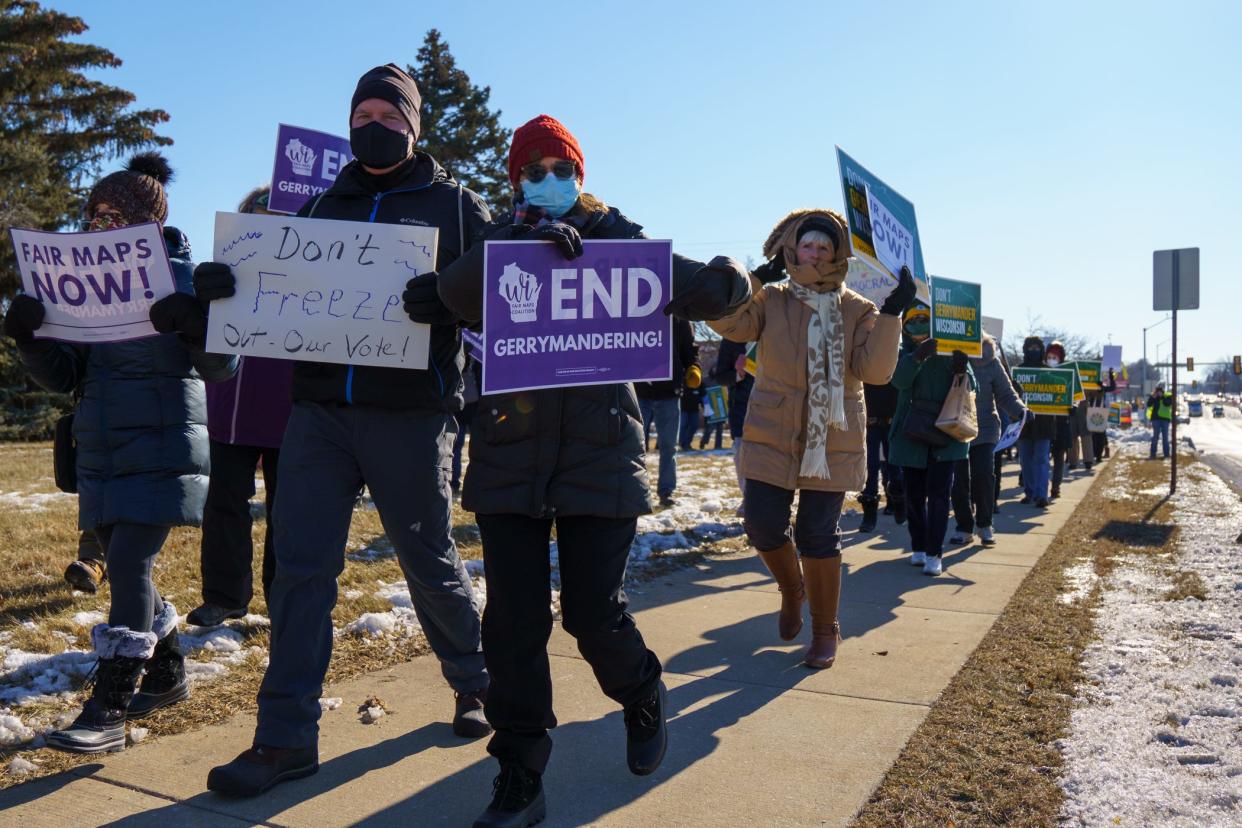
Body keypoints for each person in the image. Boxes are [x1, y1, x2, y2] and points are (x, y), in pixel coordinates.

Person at [437, 113, 750, 828]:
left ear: (580, 174)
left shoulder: (619, 240)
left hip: (600, 452)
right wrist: (519, 246)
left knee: (590, 614)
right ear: (514, 179)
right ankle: (520, 771)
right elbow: (453, 294)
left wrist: (727, 281)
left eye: (560, 169)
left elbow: (704, 289)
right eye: (532, 171)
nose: (547, 181)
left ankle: (640, 691)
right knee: (512, 623)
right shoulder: (499, 242)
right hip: (510, 451)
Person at [207, 65, 492, 797]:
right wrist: (222, 294)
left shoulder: (455, 206)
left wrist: (453, 301)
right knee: (300, 574)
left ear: (414, 126)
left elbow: (501, 297)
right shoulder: (318, 206)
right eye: (363, 112)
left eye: (390, 116)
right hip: (320, 416)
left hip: (412, 416)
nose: (375, 125)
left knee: (427, 558)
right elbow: (271, 300)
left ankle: (475, 682)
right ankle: (284, 739)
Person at [4, 153, 237, 752]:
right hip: (101, 449)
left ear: (147, 224)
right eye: (95, 214)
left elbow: (222, 366)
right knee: (123, 555)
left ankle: (108, 709)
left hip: (164, 444)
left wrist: (195, 323)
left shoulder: (186, 277)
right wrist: (30, 337)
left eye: (116, 216)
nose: (102, 225)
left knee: (130, 560)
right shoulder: (81, 289)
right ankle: (166, 674)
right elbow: (63, 376)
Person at [709, 209, 911, 665]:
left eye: (824, 247)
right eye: (807, 246)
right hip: (771, 428)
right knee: (761, 523)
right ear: (792, 250)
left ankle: (825, 629)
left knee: (817, 533)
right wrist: (752, 283)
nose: (815, 254)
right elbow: (729, 327)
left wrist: (894, 313)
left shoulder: (859, 308)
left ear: (837, 253)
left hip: (832, 435)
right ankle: (791, 589)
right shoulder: (772, 299)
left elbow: (875, 372)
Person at [188, 187, 294, 628]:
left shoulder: (311, 275)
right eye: (257, 219)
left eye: (276, 220)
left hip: (292, 409)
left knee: (289, 511)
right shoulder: (220, 273)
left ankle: (284, 597)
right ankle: (225, 596)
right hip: (230, 407)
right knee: (224, 503)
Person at [888, 304, 976, 576]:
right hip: (912, 434)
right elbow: (898, 381)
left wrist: (962, 369)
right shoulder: (902, 352)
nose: (918, 327)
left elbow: (973, 388)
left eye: (924, 320)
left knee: (939, 496)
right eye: (912, 321)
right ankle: (919, 546)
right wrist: (917, 358)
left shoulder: (951, 351)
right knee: (914, 495)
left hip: (947, 434)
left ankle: (935, 553)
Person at [949, 334, 1026, 547]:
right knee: (959, 481)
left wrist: (1020, 412)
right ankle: (964, 527)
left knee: (983, 475)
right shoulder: (948, 354)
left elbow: (1005, 394)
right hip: (954, 428)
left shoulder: (991, 361)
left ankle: (985, 524)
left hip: (985, 429)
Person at [635, 317, 699, 505]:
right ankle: (637, 491)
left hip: (670, 392)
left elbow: (689, 349)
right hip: (640, 391)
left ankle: (666, 492)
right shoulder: (636, 313)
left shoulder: (679, 317)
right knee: (634, 446)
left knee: (669, 447)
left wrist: (694, 367)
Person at [1015, 336, 1057, 508]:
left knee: (1041, 459)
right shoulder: (1018, 371)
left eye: (1037, 347)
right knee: (1025, 459)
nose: (1034, 350)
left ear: (1042, 350)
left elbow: (1058, 394)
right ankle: (1029, 491)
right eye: (1030, 347)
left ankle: (1041, 495)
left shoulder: (1049, 371)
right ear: (1025, 350)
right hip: (1024, 422)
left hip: (1044, 423)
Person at [859, 379, 901, 532]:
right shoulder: (867, 358)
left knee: (894, 466)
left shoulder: (898, 357)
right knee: (870, 468)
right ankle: (869, 514)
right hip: (870, 420)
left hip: (892, 419)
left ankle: (898, 500)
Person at [1044, 340, 1073, 499]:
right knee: (1041, 458)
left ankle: (1056, 487)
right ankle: (1039, 486)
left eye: (1055, 356)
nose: (1052, 359)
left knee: (1059, 459)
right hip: (1043, 423)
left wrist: (1072, 406)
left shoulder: (1069, 374)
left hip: (1061, 424)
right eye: (1050, 356)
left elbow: (1075, 396)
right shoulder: (1041, 372)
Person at [679, 373, 705, 450]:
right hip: (683, 409)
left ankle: (687, 443)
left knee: (694, 426)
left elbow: (703, 394)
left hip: (694, 409)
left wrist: (705, 407)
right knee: (683, 426)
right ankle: (682, 443)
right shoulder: (682, 381)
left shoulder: (699, 382)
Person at [1147, 383, 1173, 458]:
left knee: (1165, 437)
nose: (1158, 392)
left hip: (1165, 419)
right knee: (1155, 436)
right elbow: (1148, 404)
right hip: (1156, 419)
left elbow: (1167, 404)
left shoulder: (1168, 395)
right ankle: (1153, 454)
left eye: (1160, 390)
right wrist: (1153, 397)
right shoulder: (1154, 396)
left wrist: (1162, 397)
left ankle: (1166, 454)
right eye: (1157, 390)